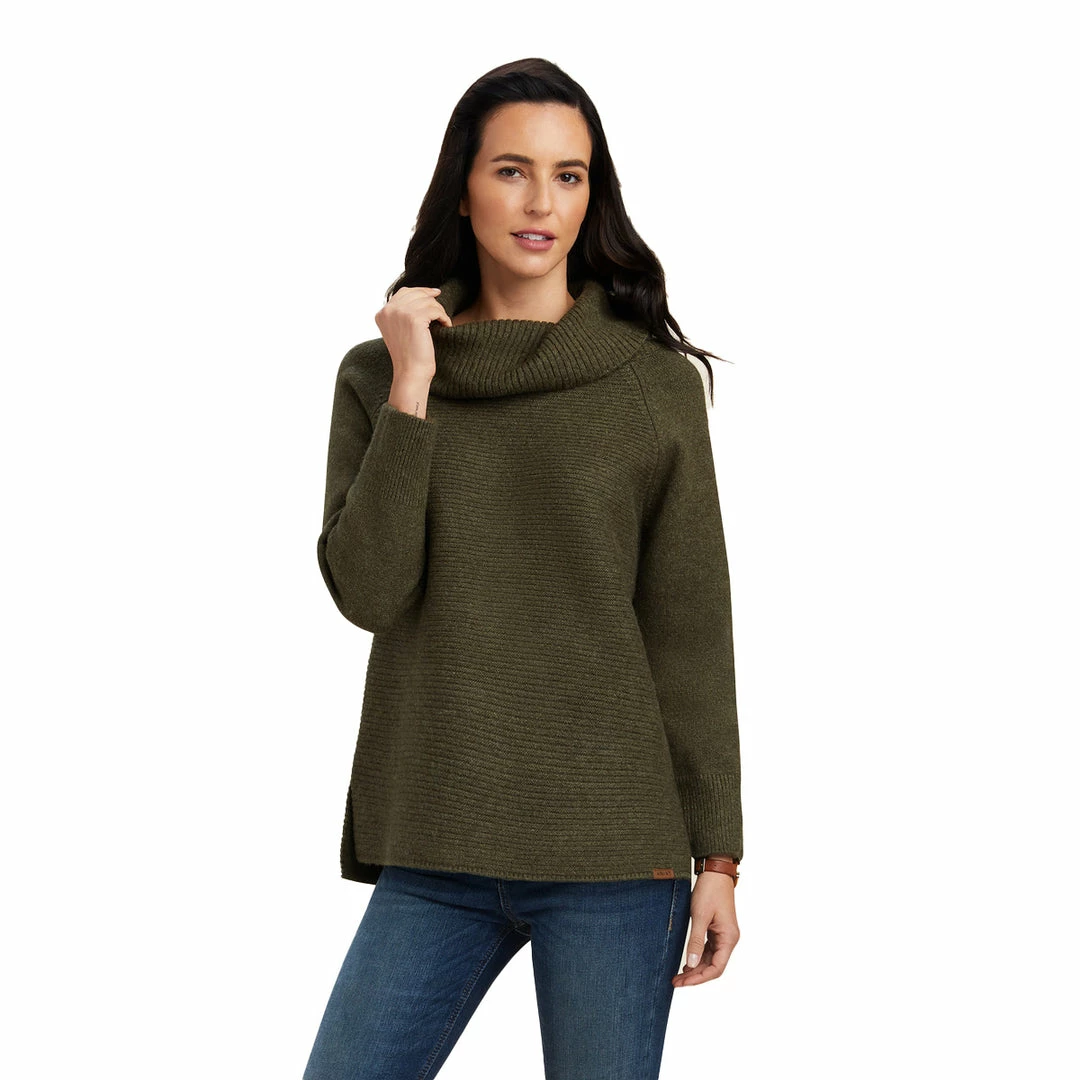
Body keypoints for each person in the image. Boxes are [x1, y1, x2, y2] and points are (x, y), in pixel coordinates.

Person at [303, 57, 743, 1080]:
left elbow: (690, 630)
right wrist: (414, 385)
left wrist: (718, 857)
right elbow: (368, 591)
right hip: (437, 833)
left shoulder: (651, 385)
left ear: (592, 196)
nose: (543, 201)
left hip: (614, 852)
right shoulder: (380, 376)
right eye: (512, 170)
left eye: (569, 174)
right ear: (463, 188)